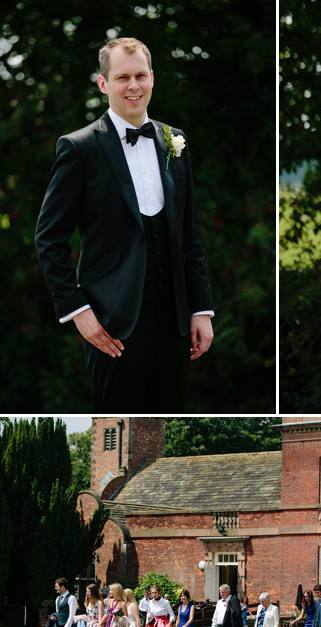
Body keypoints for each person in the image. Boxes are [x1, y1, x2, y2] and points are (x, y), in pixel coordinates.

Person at [33, 36, 214, 412]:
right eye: (122, 78)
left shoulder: (173, 141)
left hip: (175, 323)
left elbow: (189, 236)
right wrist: (79, 313)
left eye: (140, 76)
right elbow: (49, 239)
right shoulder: (80, 148)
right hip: (112, 325)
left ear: (152, 78)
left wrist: (201, 309)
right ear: (103, 83)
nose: (133, 86)